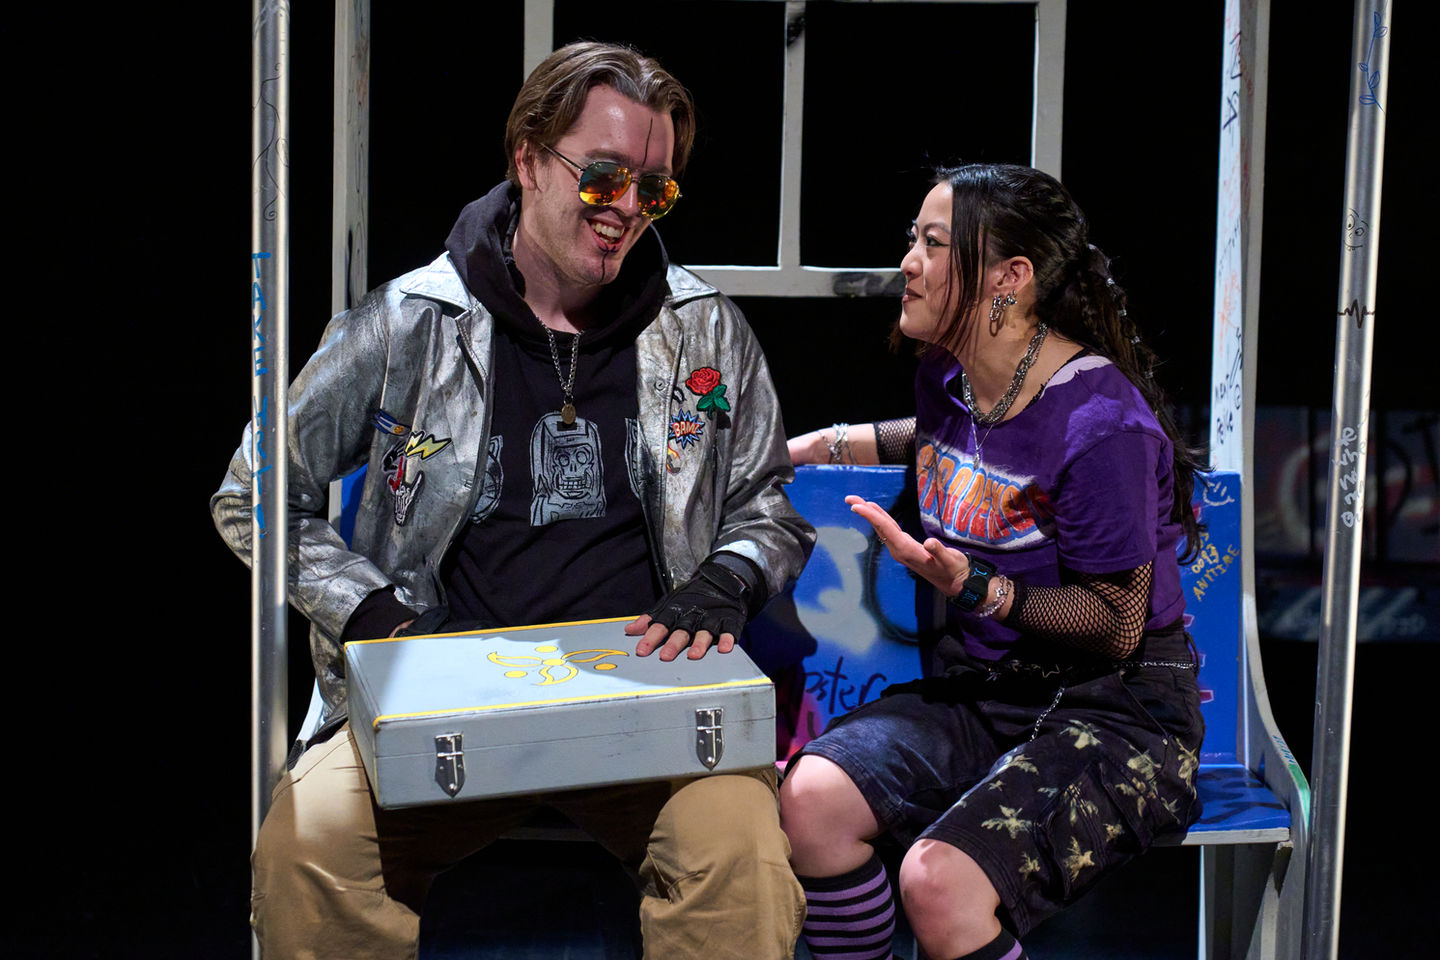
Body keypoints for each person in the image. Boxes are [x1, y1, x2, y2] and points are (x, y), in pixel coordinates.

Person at [212, 42, 813, 960]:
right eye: (603, 176)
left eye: (653, 191)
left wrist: (727, 579)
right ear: (528, 159)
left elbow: (766, 504)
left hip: (643, 703)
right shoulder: (409, 322)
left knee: (741, 860)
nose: (625, 210)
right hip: (443, 699)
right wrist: (369, 611)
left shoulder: (704, 330)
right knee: (311, 850)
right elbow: (254, 492)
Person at [781, 163, 1206, 960]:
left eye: (934, 244)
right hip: (991, 692)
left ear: (1009, 279)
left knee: (938, 882)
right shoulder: (950, 375)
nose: (907, 262)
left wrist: (977, 587)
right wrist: (814, 445)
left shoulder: (1101, 427)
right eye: (913, 239)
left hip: (1118, 714)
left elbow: (1117, 625)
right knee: (810, 801)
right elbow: (942, 436)